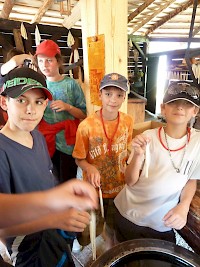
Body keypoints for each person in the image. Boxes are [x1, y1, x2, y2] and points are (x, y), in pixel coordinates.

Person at [0, 67, 94, 267]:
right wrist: (54, 220)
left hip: (51, 231)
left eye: (39, 102)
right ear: (4, 102)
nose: (31, 109)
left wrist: (67, 195)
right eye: (21, 100)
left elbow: (47, 181)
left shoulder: (38, 137)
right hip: (26, 248)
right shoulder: (2, 151)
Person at [114, 81, 200, 244]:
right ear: (163, 108)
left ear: (194, 111)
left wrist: (184, 206)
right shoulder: (148, 137)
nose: (180, 107)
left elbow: (191, 178)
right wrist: (138, 155)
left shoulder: (197, 143)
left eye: (186, 104)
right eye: (173, 102)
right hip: (129, 213)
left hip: (161, 222)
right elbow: (129, 181)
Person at [72, 73, 134, 248]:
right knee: (89, 227)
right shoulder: (86, 126)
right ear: (99, 95)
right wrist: (89, 168)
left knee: (115, 224)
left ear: (124, 97)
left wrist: (135, 157)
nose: (113, 100)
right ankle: (81, 242)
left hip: (119, 187)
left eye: (119, 95)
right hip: (94, 188)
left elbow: (127, 148)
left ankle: (110, 243)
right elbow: (79, 158)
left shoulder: (128, 121)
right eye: (108, 94)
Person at [35, 39, 87, 183]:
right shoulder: (38, 86)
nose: (44, 65)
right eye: (40, 61)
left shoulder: (71, 84)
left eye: (49, 60)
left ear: (58, 61)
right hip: (45, 140)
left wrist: (68, 107)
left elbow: (84, 114)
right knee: (49, 179)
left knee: (67, 179)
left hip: (68, 142)